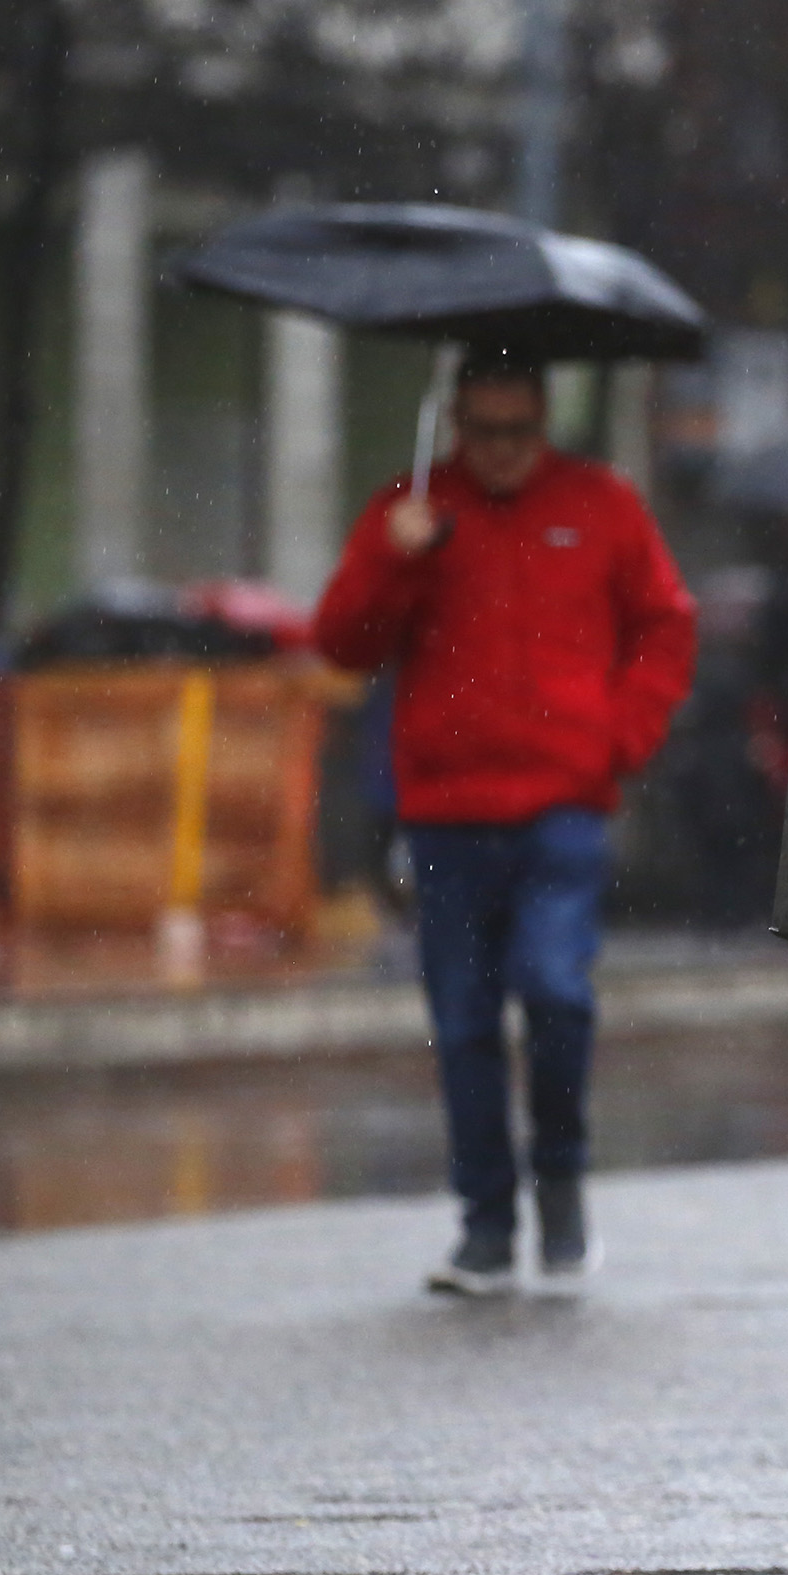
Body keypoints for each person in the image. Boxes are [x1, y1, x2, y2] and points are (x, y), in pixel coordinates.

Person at [314, 350, 696, 1294]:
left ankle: (559, 1180)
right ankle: (487, 1223)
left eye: (518, 432)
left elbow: (665, 624)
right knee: (465, 1020)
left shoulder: (600, 505)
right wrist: (391, 557)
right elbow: (342, 642)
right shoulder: (411, 510)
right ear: (456, 426)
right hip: (446, 813)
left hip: (563, 806)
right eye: (483, 433)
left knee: (556, 992)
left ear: (542, 423)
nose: (501, 453)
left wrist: (620, 736)